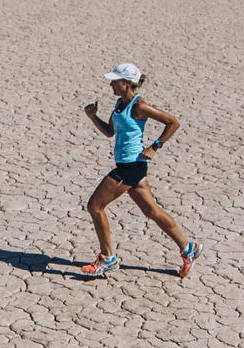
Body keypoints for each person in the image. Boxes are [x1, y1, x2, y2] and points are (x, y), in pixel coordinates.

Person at [77, 64, 199, 278]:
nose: (111, 84)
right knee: (151, 211)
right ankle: (189, 248)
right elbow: (109, 132)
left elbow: (173, 122)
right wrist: (93, 117)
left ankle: (108, 259)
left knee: (95, 206)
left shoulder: (139, 106)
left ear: (128, 83)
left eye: (115, 81)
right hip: (128, 165)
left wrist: (154, 147)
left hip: (132, 165)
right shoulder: (119, 104)